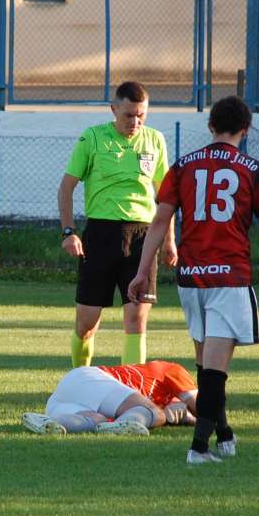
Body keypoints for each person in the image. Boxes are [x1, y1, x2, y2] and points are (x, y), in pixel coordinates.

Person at [127, 96, 259, 465]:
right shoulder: (254, 170)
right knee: (214, 371)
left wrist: (141, 270)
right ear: (246, 129)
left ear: (211, 126)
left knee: (206, 365)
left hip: (191, 279)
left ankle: (224, 434)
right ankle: (199, 449)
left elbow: (160, 221)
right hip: (228, 279)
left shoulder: (183, 166)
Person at [58, 81, 177, 368]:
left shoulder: (155, 140)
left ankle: (132, 393)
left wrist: (170, 240)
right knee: (87, 323)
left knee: (136, 319)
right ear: (114, 110)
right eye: (128, 115)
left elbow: (166, 198)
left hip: (143, 237)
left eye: (141, 115)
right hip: (100, 235)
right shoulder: (93, 138)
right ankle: (80, 380)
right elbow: (66, 187)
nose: (135, 121)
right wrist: (69, 232)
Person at [21, 360, 198, 436]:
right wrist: (167, 415)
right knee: (154, 413)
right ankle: (122, 426)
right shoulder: (172, 370)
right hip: (89, 379)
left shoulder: (138, 404)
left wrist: (182, 415)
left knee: (97, 421)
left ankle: (47, 421)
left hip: (63, 398)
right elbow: (204, 408)